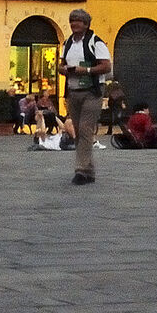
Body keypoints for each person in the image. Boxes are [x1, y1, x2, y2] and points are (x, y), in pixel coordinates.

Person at [60, 10, 111, 185]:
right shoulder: (67, 43)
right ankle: (89, 171)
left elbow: (106, 66)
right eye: (72, 20)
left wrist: (86, 71)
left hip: (92, 91)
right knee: (78, 130)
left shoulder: (95, 43)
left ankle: (81, 170)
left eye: (78, 21)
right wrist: (64, 70)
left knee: (85, 128)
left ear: (86, 24)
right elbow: (61, 65)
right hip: (73, 90)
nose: (74, 24)